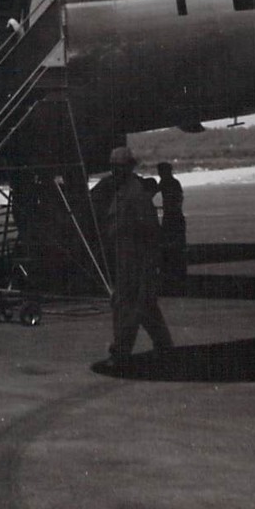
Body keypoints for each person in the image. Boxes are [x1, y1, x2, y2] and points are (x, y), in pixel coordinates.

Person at [97, 146, 173, 370]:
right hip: (126, 260)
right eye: (113, 167)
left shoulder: (135, 194)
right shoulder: (122, 191)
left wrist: (150, 265)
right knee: (145, 307)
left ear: (128, 168)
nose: (115, 171)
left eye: (119, 167)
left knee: (126, 308)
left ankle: (120, 354)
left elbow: (150, 232)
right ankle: (165, 347)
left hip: (136, 262)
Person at [156, 161, 187, 290]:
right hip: (174, 216)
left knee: (171, 245)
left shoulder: (168, 183)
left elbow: (176, 201)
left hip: (172, 217)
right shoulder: (171, 182)